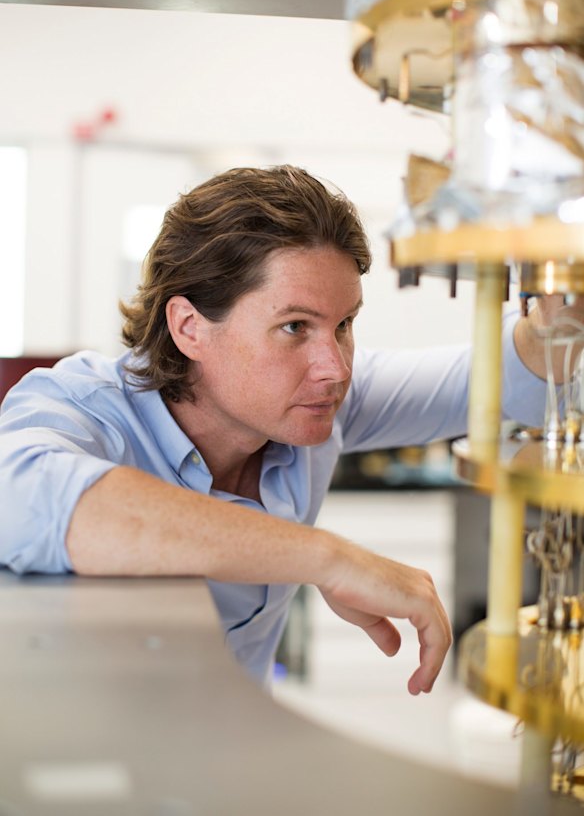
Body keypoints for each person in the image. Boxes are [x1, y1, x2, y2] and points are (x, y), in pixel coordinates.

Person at [0, 165, 559, 695]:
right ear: (189, 327)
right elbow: (27, 500)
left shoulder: (311, 405)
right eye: (294, 327)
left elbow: (493, 377)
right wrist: (327, 558)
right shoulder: (83, 407)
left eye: (343, 325)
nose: (335, 367)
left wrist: (558, 319)